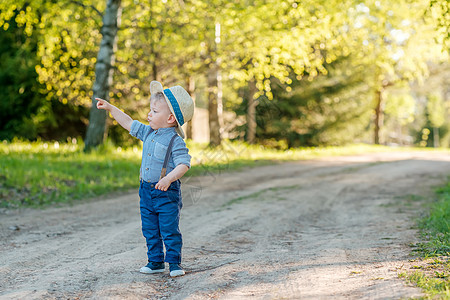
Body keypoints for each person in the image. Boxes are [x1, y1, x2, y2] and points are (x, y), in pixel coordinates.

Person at [96, 80, 194, 277]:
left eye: (155, 111)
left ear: (170, 118)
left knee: (169, 229)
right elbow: (128, 122)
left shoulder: (175, 141)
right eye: (151, 109)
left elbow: (184, 163)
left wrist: (168, 179)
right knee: (149, 228)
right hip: (146, 191)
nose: (149, 114)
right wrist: (111, 108)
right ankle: (155, 261)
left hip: (166, 192)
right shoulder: (148, 132)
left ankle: (174, 263)